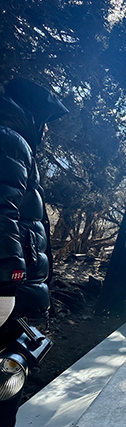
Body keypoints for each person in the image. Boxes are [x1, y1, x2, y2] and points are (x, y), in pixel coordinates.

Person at [0, 78, 68, 329]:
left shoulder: (13, 141)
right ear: (32, 114)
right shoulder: (10, 142)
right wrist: (10, 277)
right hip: (12, 287)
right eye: (45, 122)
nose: (47, 130)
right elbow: (3, 210)